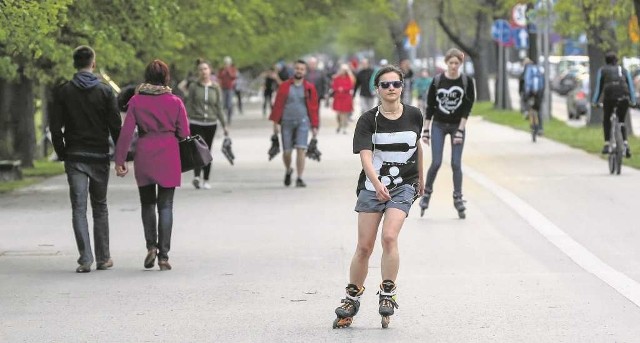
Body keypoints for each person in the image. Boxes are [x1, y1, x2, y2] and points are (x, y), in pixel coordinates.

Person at [332, 65, 424, 329]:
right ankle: (351, 298)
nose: (391, 88)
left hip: (404, 185)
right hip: (372, 187)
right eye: (385, 85)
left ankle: (387, 291)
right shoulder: (367, 119)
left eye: (395, 84)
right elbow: (365, 155)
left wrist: (422, 180)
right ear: (378, 89)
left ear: (402, 87)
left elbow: (418, 147)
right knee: (364, 247)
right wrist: (376, 183)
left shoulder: (415, 115)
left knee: (389, 236)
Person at [50, 45, 122, 273]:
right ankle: (103, 258)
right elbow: (115, 126)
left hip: (75, 156)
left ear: (74, 63)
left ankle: (85, 258)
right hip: (99, 155)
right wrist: (120, 156)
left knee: (78, 208)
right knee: (100, 207)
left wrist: (62, 152)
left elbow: (54, 127)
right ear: (93, 62)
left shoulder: (63, 91)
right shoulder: (105, 91)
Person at [113, 59, 190, 271]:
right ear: (166, 77)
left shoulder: (137, 102)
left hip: (145, 154)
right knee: (166, 205)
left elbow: (126, 132)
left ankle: (151, 247)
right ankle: (164, 256)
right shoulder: (175, 102)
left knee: (147, 203)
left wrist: (120, 160)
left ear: (146, 77)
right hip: (169, 153)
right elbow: (184, 133)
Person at [419, 48, 476, 219]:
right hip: (438, 125)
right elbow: (430, 107)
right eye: (450, 63)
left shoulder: (466, 81)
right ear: (446, 63)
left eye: (456, 63)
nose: (453, 66)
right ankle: (427, 193)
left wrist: (460, 130)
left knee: (456, 163)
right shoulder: (437, 81)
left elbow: (467, 107)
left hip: (457, 125)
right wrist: (426, 130)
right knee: (436, 162)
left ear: (460, 64)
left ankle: (458, 197)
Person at [269, 59, 319, 188]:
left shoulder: (309, 88)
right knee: (287, 152)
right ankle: (288, 170)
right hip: (286, 122)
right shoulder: (285, 86)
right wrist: (275, 123)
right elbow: (277, 105)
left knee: (301, 149)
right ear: (294, 70)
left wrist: (314, 126)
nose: (299, 71)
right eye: (297, 68)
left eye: (302, 69)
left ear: (305, 71)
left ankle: (299, 177)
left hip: (303, 122)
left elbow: (314, 108)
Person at [185, 60, 229, 189]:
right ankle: (197, 177)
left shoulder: (215, 87)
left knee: (207, 150)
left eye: (205, 69)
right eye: (201, 69)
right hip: (196, 122)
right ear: (198, 72)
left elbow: (219, 107)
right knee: (197, 149)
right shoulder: (194, 86)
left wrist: (224, 125)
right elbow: (189, 104)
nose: (203, 71)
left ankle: (206, 179)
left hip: (211, 123)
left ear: (210, 71)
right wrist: (185, 119)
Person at [591, 51, 637, 157]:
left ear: (606, 61)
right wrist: (633, 101)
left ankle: (607, 144)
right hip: (623, 96)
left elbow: (599, 88)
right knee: (621, 121)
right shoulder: (624, 70)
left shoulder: (602, 70)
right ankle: (625, 144)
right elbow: (630, 86)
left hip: (609, 97)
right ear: (617, 60)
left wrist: (595, 102)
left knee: (607, 118)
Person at [331, 64, 355, 134]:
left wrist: (343, 89)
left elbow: (351, 86)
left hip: (346, 97)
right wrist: (338, 89)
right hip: (338, 97)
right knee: (338, 113)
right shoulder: (337, 78)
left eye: (345, 70)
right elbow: (334, 86)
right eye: (342, 70)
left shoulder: (349, 78)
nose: (343, 71)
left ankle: (344, 127)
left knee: (345, 113)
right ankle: (339, 125)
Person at [522, 59, 545, 133]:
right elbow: (542, 82)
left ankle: (526, 112)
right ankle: (540, 128)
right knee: (538, 110)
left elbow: (526, 82)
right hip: (539, 92)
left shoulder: (528, 70)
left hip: (530, 92)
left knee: (527, 105)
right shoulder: (539, 69)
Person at [217, 56, 238, 124]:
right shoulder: (222, 69)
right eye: (226, 63)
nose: (226, 64)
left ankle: (229, 118)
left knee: (229, 104)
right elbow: (219, 77)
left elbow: (234, 76)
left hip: (230, 88)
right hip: (223, 88)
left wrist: (228, 71)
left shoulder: (232, 69)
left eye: (228, 63)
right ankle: (223, 118)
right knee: (223, 104)